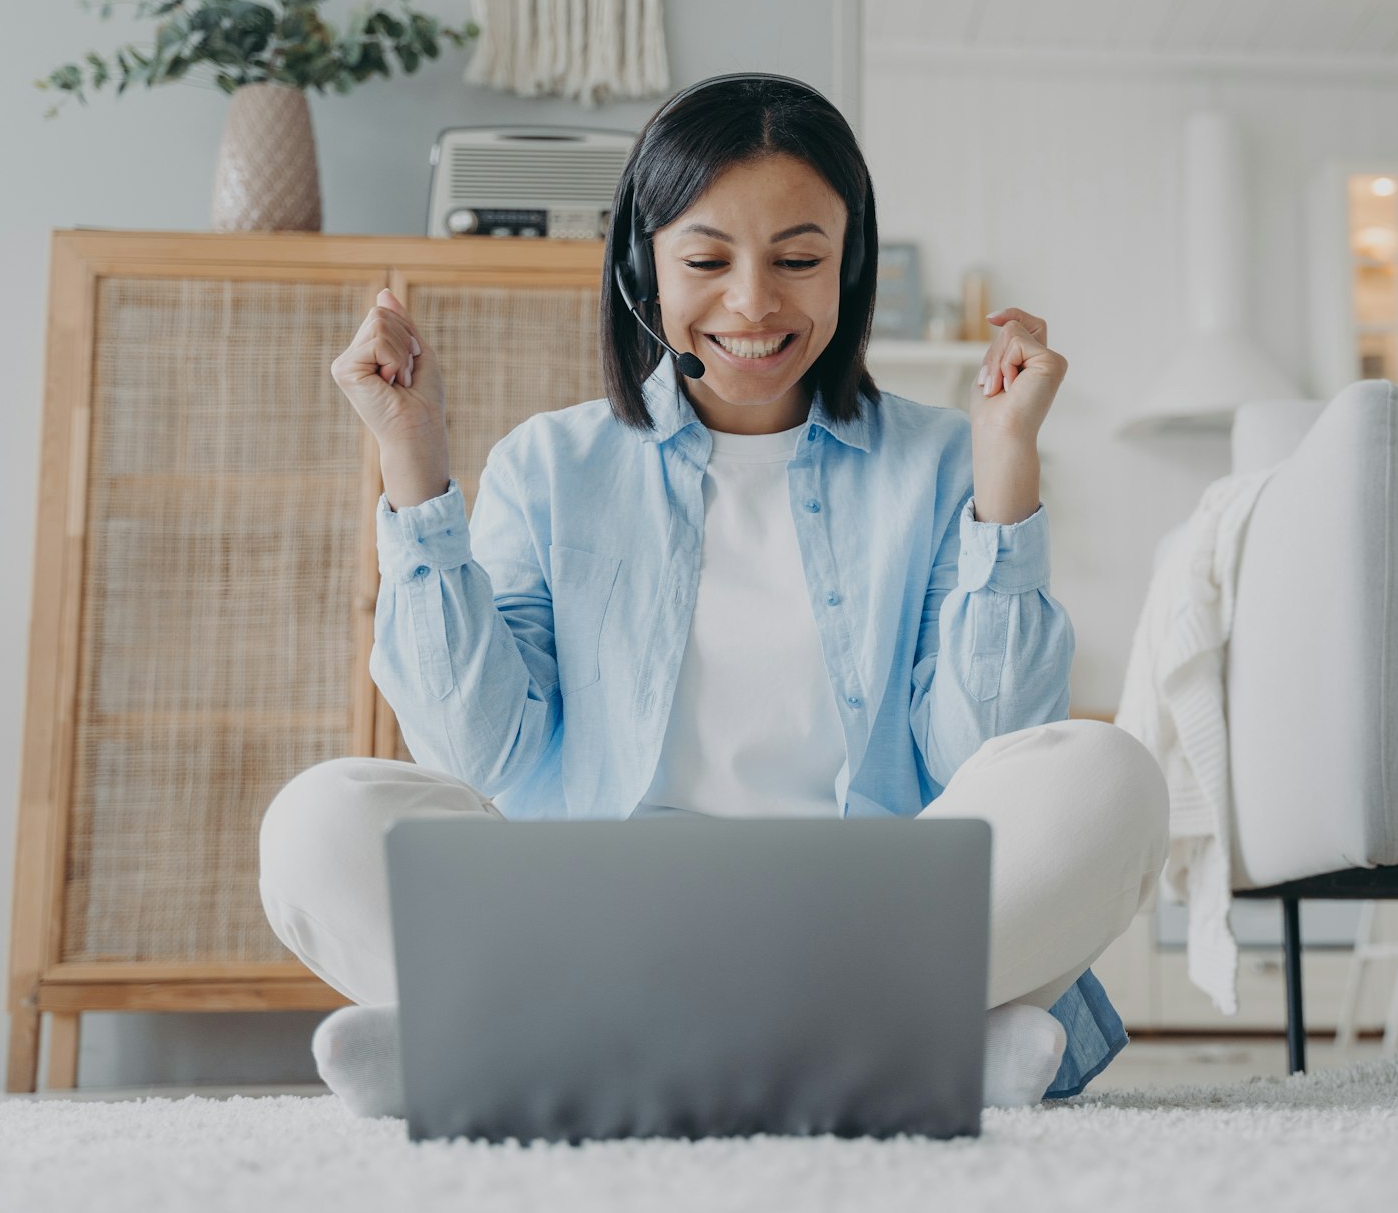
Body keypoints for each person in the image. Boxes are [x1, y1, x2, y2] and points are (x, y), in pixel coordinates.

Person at [257, 73, 1168, 1120]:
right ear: (643, 264)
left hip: (860, 914)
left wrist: (1006, 466)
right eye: (705, 259)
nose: (752, 303)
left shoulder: (940, 463)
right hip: (604, 916)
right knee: (314, 821)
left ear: (848, 264)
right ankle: (902, 1053)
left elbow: (986, 753)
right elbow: (475, 752)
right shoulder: (549, 464)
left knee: (1107, 775)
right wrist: (408, 461)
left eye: (797, 259)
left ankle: (539, 1048)